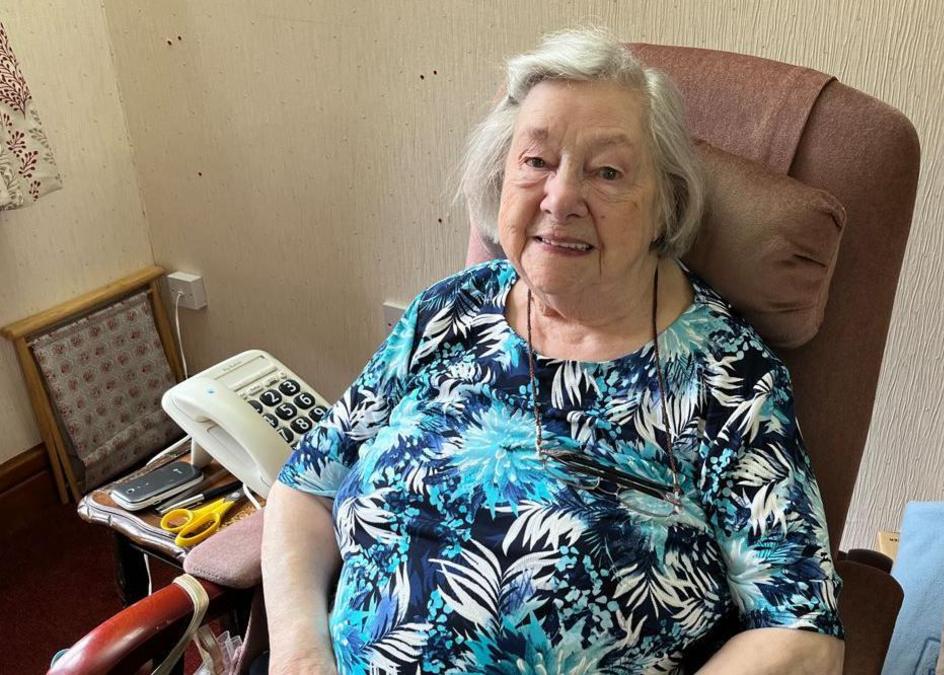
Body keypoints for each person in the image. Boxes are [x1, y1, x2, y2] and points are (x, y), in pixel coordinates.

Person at [263, 27, 844, 675]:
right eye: (536, 161)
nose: (561, 198)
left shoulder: (728, 380)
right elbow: (306, 488)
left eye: (607, 172)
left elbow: (801, 634)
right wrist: (298, 650)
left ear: (665, 202)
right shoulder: (449, 311)